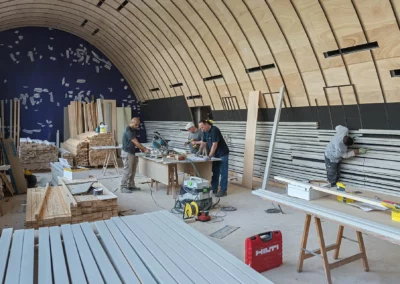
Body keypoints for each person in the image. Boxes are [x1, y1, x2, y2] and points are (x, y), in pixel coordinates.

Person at [197, 120, 229, 197]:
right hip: (215, 154)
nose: (202, 129)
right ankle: (214, 188)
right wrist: (199, 151)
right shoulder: (205, 131)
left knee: (223, 172)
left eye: (202, 127)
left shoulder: (214, 130)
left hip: (222, 153)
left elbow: (214, 145)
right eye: (200, 128)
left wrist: (209, 156)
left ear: (206, 124)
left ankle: (223, 190)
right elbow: (203, 142)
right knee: (215, 172)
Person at [120, 117, 150, 193]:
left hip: (132, 152)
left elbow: (134, 144)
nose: (137, 126)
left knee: (133, 170)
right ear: (132, 122)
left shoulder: (133, 130)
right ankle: (123, 187)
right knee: (127, 170)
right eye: (136, 125)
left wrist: (140, 148)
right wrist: (144, 149)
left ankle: (131, 185)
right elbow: (136, 142)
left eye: (138, 125)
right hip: (127, 153)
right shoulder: (128, 130)